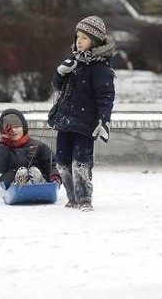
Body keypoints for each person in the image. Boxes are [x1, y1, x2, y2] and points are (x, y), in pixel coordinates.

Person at [47, 15, 115, 211]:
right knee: (62, 163)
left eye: (84, 38)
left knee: (81, 163)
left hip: (86, 124)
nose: (79, 41)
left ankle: (84, 198)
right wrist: (60, 72)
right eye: (77, 36)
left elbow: (105, 97)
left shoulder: (100, 69)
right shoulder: (72, 61)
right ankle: (72, 197)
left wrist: (104, 120)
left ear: (94, 41)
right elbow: (57, 86)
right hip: (65, 121)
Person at [0, 108, 61, 190]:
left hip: (39, 181)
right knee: (18, 173)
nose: (14, 130)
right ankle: (20, 182)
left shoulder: (37, 146)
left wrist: (55, 176)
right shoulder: (2, 149)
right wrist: (3, 143)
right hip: (12, 183)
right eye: (10, 128)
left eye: (17, 126)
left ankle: (37, 182)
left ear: (23, 127)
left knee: (34, 171)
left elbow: (52, 163)